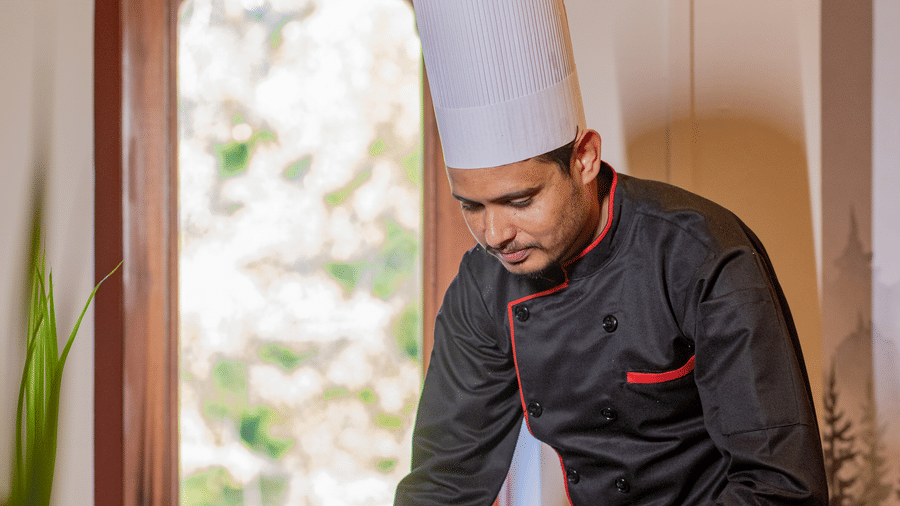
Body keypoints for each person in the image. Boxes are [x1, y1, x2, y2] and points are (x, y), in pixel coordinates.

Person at [395, 1, 828, 505]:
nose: (494, 234)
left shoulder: (700, 253)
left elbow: (781, 490)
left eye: (519, 201)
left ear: (584, 158)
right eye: (471, 206)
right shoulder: (483, 285)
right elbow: (444, 481)